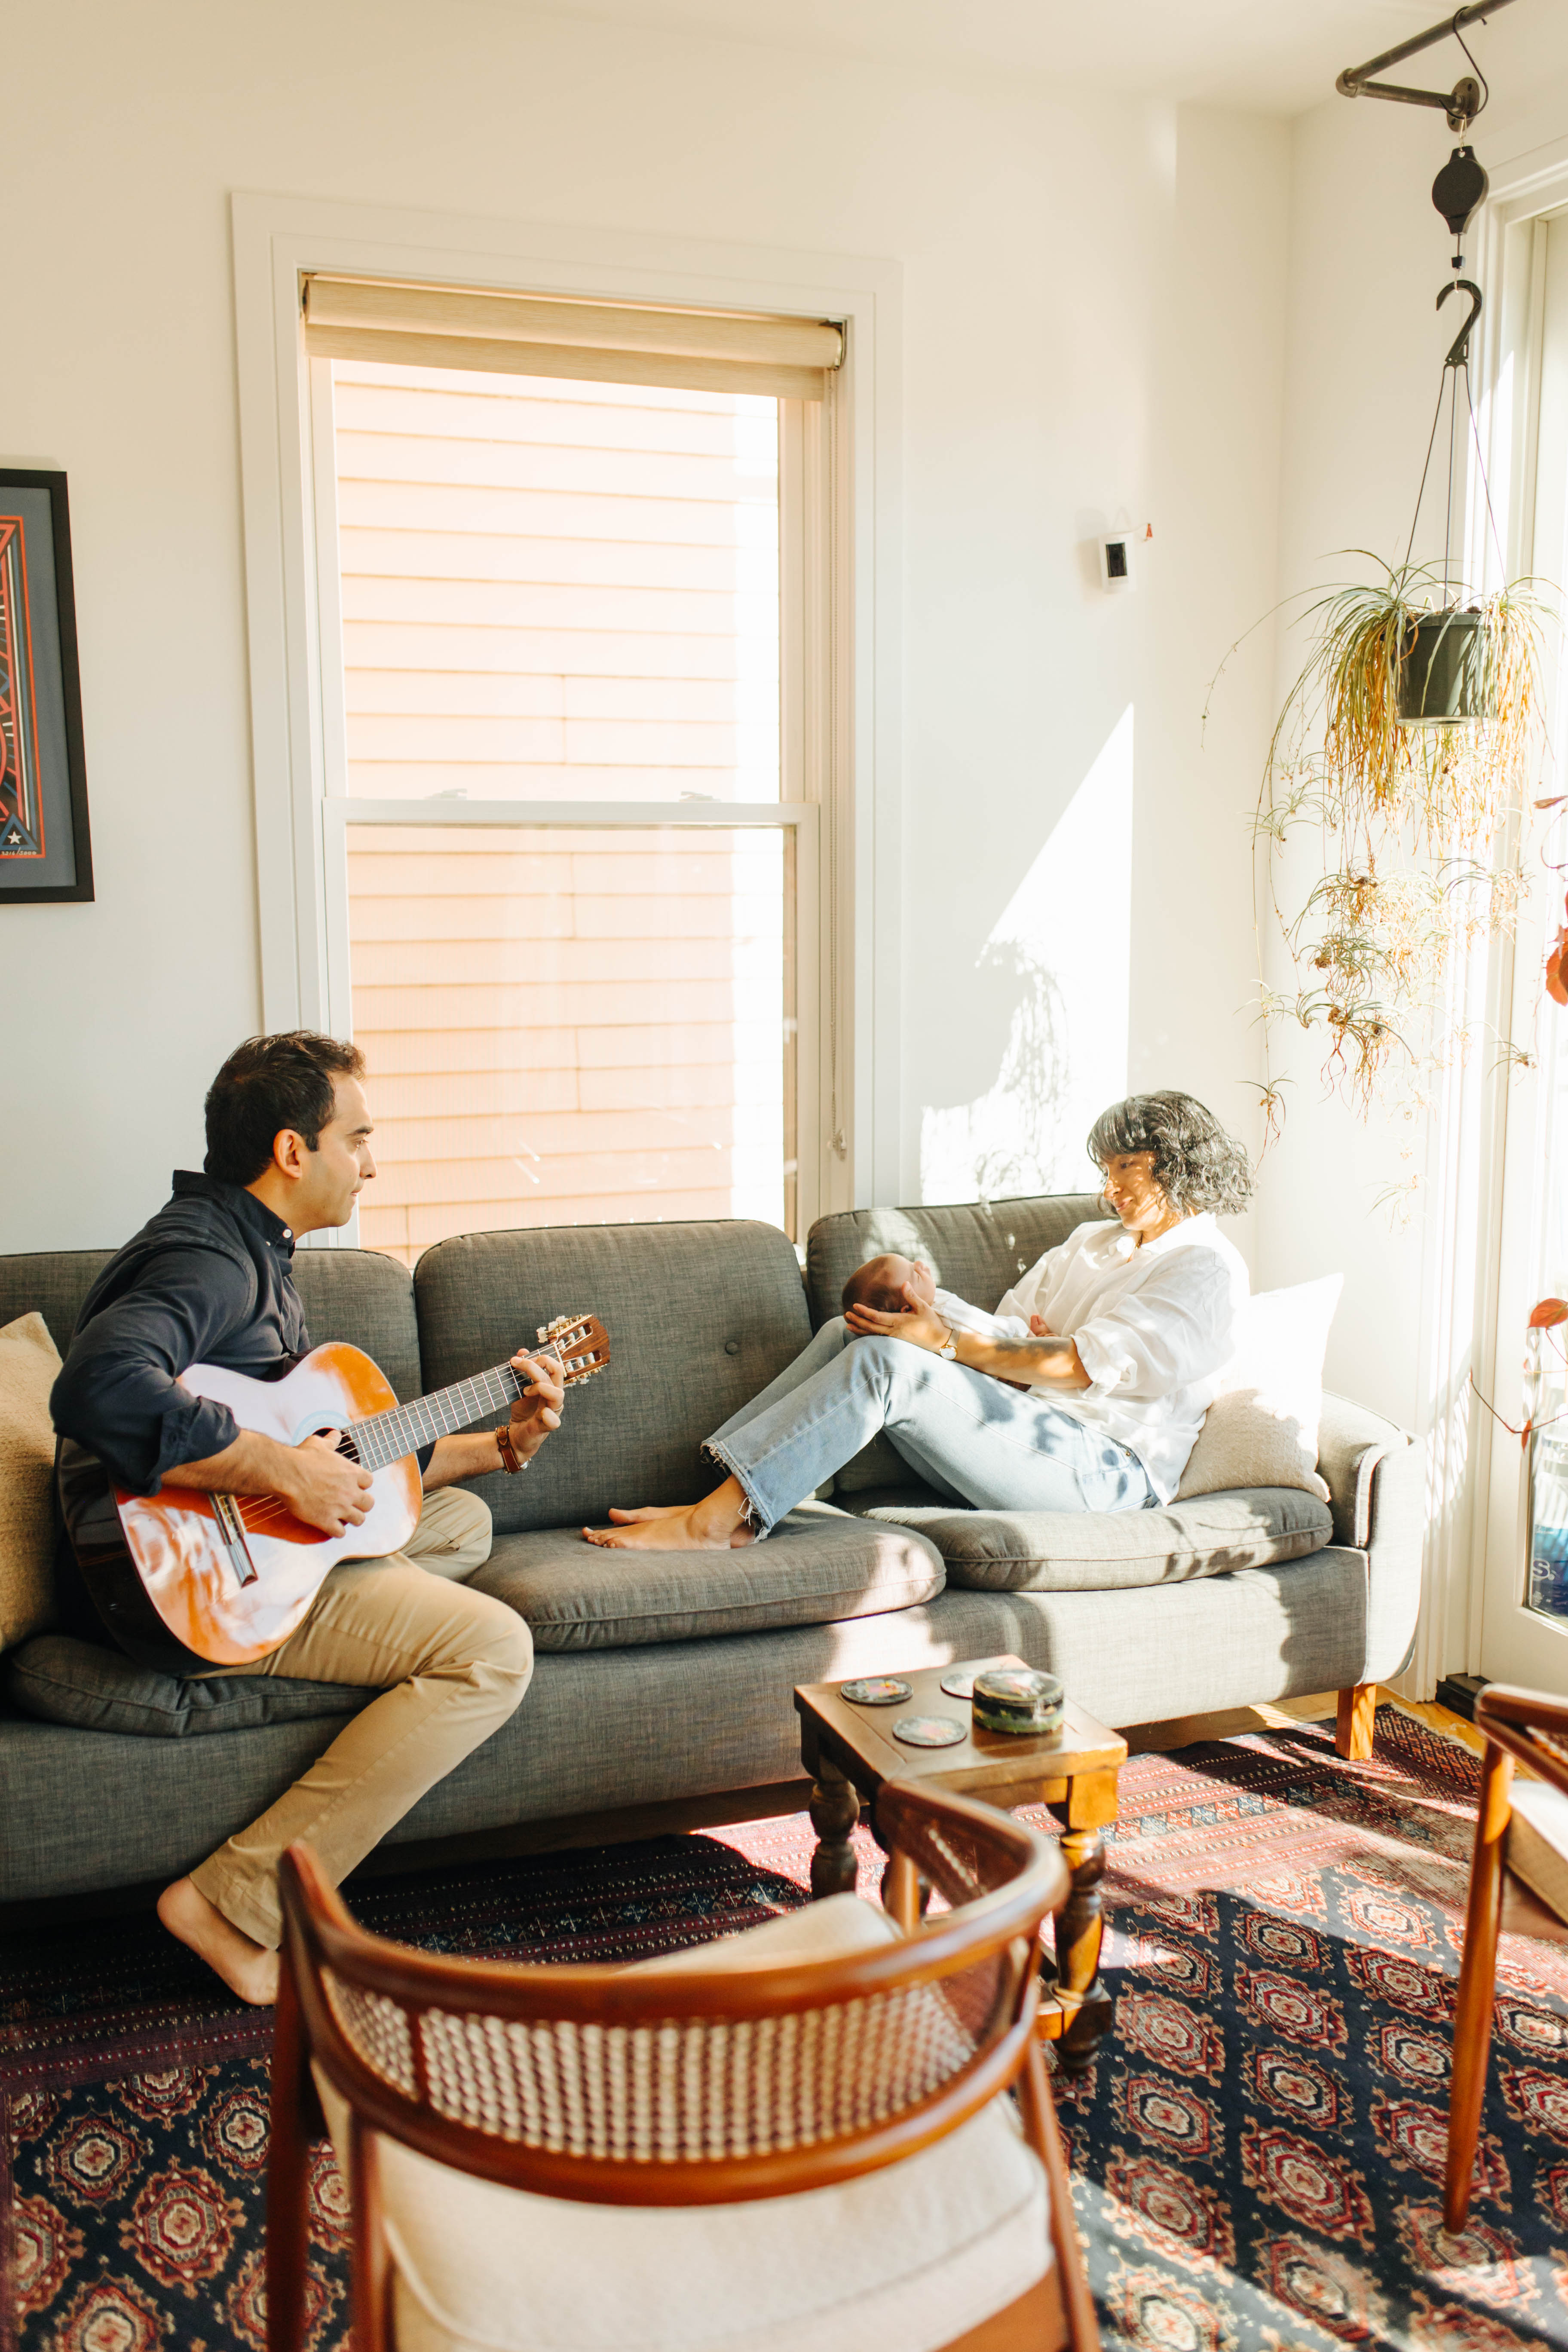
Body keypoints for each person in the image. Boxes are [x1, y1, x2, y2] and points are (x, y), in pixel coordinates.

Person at [50, 1032, 565, 2006]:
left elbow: (345, 1459)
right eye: (359, 1138)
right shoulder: (209, 1262)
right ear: (294, 1152)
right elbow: (96, 1389)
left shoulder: (251, 1247)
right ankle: (234, 1904)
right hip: (181, 1582)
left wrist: (501, 1444)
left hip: (223, 1536)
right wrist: (279, 1470)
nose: (373, 1162)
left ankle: (349, 1580)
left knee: (457, 1523)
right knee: (495, 1650)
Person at [585, 1090, 1251, 1553]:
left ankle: (712, 1525)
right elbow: (1014, 1340)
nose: (1110, 1188)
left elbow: (1075, 1365)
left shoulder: (1204, 1267)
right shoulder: (1090, 1242)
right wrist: (931, 1307)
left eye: (1126, 1167)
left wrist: (959, 1343)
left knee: (889, 1362)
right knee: (857, 1333)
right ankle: (720, 1499)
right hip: (1035, 1428)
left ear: (1178, 1159)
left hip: (1106, 1470)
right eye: (1105, 1172)